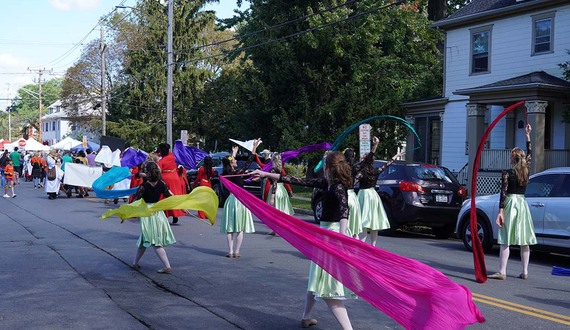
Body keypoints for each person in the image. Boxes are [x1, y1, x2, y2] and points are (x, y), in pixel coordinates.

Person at [252, 151, 355, 330]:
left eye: (324, 161)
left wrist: (342, 237)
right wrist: (266, 174)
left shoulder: (337, 187)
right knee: (316, 279)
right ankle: (306, 317)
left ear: (329, 167)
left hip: (332, 237)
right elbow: (294, 179)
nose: (322, 163)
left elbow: (344, 210)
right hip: (325, 235)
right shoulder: (327, 183)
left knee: (329, 290)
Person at [489, 124, 535, 280]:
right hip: (522, 204)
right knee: (524, 239)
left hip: (510, 203)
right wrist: (528, 135)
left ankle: (502, 271)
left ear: (512, 158)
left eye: (510, 155)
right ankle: (525, 271)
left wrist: (500, 211)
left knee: (506, 238)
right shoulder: (526, 170)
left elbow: (503, 193)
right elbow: (530, 153)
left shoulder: (507, 173)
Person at [357, 136, 404, 246]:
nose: (362, 159)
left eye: (364, 157)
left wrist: (375, 145)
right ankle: (373, 245)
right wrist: (396, 156)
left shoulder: (362, 171)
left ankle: (362, 242)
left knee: (364, 220)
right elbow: (387, 164)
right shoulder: (376, 170)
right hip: (373, 195)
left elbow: (354, 181)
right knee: (373, 221)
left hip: (364, 194)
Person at [131, 161, 176, 274]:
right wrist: (182, 206)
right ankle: (135, 263)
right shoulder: (161, 184)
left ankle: (167, 266)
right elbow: (170, 197)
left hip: (148, 214)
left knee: (154, 241)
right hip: (158, 212)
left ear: (147, 173)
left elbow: (135, 201)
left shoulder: (144, 186)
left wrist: (127, 214)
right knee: (144, 239)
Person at [220, 141, 259, 258]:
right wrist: (254, 149)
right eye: (234, 160)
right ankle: (237, 251)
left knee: (230, 228)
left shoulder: (226, 173)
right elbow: (248, 163)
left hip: (231, 201)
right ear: (231, 164)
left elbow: (229, 162)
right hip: (240, 201)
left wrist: (233, 153)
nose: (236, 161)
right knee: (240, 228)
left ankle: (230, 251)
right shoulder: (237, 173)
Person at [263, 152, 294, 235]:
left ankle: (277, 229)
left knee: (275, 210)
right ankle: (278, 228)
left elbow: (275, 183)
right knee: (281, 209)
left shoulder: (273, 170)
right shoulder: (280, 169)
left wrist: (272, 195)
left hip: (276, 190)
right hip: (282, 190)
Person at [157, 143, 186, 224]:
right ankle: (175, 214)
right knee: (175, 195)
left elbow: (159, 173)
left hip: (166, 178)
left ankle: (165, 215)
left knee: (165, 197)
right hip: (175, 177)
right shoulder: (172, 156)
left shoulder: (160, 162)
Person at [343, 148, 362, 239]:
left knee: (344, 226)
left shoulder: (341, 168)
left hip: (343, 196)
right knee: (354, 229)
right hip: (353, 197)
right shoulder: (354, 168)